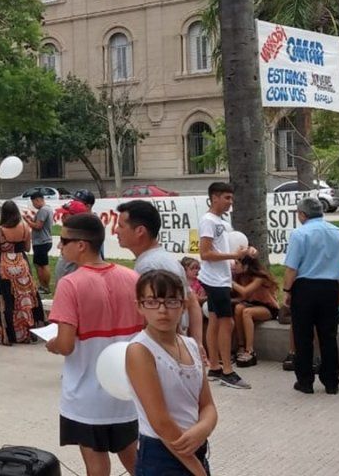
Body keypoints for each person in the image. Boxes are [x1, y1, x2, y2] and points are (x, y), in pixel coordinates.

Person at [46, 213, 142, 476]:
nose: (59, 246)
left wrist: (52, 344)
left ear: (81, 245)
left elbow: (66, 345)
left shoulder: (70, 284)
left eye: (64, 240)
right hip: (126, 391)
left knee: (95, 464)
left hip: (86, 395)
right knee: (135, 459)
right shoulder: (132, 278)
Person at [126, 270, 217, 476]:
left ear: (183, 305)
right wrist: (198, 470)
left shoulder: (191, 345)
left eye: (171, 301)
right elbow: (160, 422)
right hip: (161, 453)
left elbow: (207, 404)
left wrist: (204, 427)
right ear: (139, 306)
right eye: (152, 302)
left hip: (196, 446)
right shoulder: (140, 350)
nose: (162, 310)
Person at [115, 200, 203, 354]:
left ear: (140, 231)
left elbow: (168, 312)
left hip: (164, 349)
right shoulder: (164, 259)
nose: (116, 231)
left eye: (121, 226)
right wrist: (196, 344)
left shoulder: (149, 266)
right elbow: (192, 300)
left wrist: (189, 348)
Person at [283, 196, 339, 395]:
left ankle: (305, 381)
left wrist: (287, 291)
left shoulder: (299, 234)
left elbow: (291, 268)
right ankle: (331, 382)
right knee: (329, 336)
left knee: (303, 336)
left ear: (303, 214)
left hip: (305, 288)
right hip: (330, 288)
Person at [197, 182, 254, 390]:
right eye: (227, 198)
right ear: (214, 198)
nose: (231, 202)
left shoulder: (221, 222)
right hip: (215, 280)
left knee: (214, 321)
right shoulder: (208, 221)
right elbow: (205, 253)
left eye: (231, 198)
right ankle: (227, 371)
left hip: (220, 278)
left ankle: (214, 366)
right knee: (226, 323)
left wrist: (246, 252)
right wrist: (233, 255)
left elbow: (225, 248)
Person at [0, 200, 43, 345]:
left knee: (7, 300)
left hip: (5, 267)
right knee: (24, 298)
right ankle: (27, 332)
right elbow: (27, 248)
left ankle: (9, 335)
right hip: (22, 265)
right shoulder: (25, 227)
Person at [232, 256, 279, 368]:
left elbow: (245, 292)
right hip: (252, 303)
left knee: (247, 312)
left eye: (237, 263)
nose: (234, 266)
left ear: (246, 266)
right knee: (238, 308)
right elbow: (243, 297)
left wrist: (230, 282)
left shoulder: (259, 277)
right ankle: (241, 345)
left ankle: (250, 351)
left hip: (268, 307)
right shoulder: (241, 276)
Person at [27, 191, 55, 296]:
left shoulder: (43, 210)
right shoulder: (47, 209)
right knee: (38, 263)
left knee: (42, 265)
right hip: (43, 241)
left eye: (33, 202)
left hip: (42, 241)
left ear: (38, 200)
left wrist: (28, 221)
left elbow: (38, 226)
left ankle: (45, 286)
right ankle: (42, 285)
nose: (33, 205)